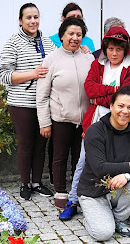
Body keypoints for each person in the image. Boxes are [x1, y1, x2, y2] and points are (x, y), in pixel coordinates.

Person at [59, 26, 130, 221]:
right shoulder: (97, 64)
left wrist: (101, 97)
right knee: (83, 160)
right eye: (110, 48)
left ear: (126, 49)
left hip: (120, 121)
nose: (114, 53)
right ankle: (73, 200)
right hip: (95, 120)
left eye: (118, 49)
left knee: (113, 160)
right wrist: (112, 90)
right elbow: (89, 89)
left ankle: (110, 201)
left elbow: (127, 96)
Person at [77, 86, 130, 241]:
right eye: (120, 106)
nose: (125, 111)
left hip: (119, 189)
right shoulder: (95, 131)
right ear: (111, 106)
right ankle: (92, 217)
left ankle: (118, 218)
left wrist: (126, 175)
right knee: (103, 234)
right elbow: (99, 168)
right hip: (93, 191)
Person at [0, 3, 56, 200]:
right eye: (29, 17)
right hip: (21, 103)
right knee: (25, 144)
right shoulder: (13, 42)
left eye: (36, 17)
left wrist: (82, 49)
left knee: (41, 144)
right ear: (20, 20)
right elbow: (5, 75)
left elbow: (60, 60)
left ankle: (37, 182)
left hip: (44, 103)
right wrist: (32, 74)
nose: (33, 21)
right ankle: (25, 183)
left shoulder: (47, 42)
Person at [37, 17, 94, 209]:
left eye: (79, 35)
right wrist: (44, 122)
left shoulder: (88, 58)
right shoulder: (51, 59)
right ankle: (60, 190)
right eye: (71, 34)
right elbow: (42, 95)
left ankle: (78, 190)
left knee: (81, 156)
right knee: (60, 156)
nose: (75, 38)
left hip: (85, 119)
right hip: (61, 117)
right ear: (62, 35)